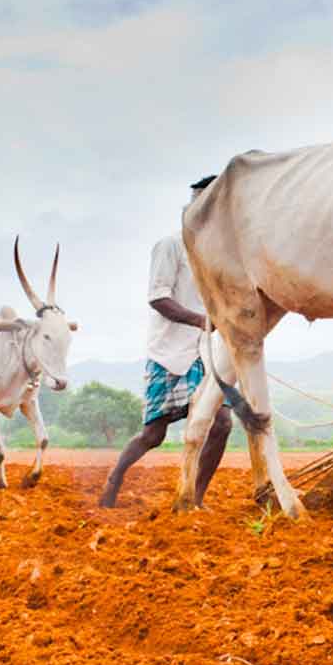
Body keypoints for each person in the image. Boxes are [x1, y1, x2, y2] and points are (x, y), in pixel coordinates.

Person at [100, 176, 233, 507]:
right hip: (170, 351)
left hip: (205, 352)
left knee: (222, 423)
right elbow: (158, 298)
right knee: (154, 434)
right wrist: (200, 320)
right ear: (193, 212)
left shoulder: (219, 257)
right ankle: (114, 479)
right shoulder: (169, 246)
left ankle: (195, 499)